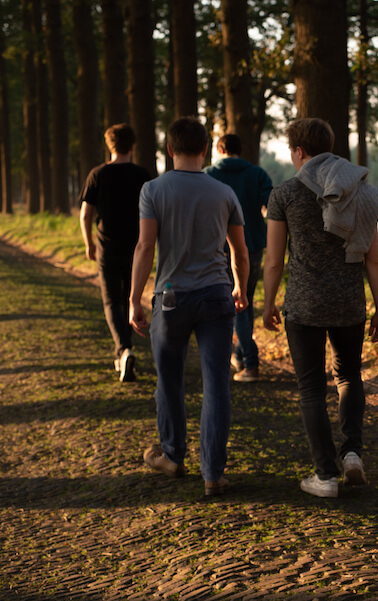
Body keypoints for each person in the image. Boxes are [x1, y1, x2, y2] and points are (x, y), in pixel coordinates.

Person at [263, 118, 378, 499]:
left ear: (299, 152)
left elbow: (273, 260)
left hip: (303, 305)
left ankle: (325, 475)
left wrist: (268, 303)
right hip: (349, 302)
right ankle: (352, 452)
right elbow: (374, 258)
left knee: (311, 389)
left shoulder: (283, 194)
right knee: (349, 377)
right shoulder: (361, 191)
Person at [129, 117, 249, 497]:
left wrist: (134, 298)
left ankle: (172, 455)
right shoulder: (225, 193)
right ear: (205, 150)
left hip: (170, 299)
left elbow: (146, 247)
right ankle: (213, 472)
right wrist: (242, 289)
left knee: (170, 382)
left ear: (169, 150)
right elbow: (240, 252)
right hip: (217, 296)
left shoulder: (152, 190)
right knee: (217, 386)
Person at [79, 124, 152, 382]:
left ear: (109, 146)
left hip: (107, 249)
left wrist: (89, 243)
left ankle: (123, 350)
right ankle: (125, 351)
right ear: (132, 146)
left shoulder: (97, 174)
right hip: (137, 249)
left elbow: (86, 214)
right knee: (131, 299)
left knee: (112, 301)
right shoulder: (144, 175)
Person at [205, 134, 274, 383]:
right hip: (253, 244)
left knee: (237, 305)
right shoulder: (257, 173)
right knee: (244, 300)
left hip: (218, 247)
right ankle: (241, 355)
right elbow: (271, 204)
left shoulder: (208, 175)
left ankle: (251, 362)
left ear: (220, 149)